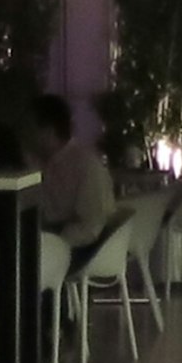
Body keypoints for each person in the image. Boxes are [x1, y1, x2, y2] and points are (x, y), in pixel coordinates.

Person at [31, 91, 113, 262]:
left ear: (47, 131)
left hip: (79, 248)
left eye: (30, 129)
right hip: (52, 236)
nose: (25, 136)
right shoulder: (41, 163)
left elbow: (91, 225)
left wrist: (53, 242)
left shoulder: (85, 165)